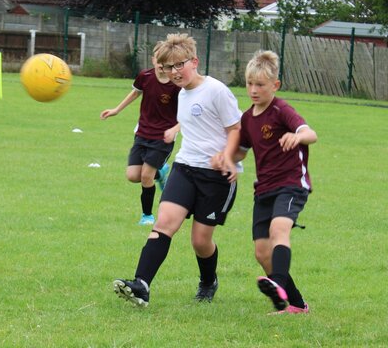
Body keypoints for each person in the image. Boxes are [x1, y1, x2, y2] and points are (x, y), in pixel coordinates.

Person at [113, 33, 242, 307]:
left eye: (178, 65)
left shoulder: (217, 90)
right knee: (163, 225)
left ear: (194, 61)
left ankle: (208, 281)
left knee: (200, 240)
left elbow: (237, 129)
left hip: (217, 176)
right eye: (168, 67)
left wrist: (228, 157)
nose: (173, 72)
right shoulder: (181, 94)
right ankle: (141, 285)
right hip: (185, 168)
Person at [213, 50, 317, 314]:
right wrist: (225, 157)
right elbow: (242, 151)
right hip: (264, 189)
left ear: (275, 85)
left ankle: (278, 283)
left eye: (260, 85)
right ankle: (296, 304)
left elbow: (310, 133)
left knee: (278, 231)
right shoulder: (247, 119)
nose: (253, 90)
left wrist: (298, 137)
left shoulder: (282, 110)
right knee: (262, 252)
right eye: (250, 84)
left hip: (292, 183)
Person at [100, 48, 180, 226]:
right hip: (142, 133)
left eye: (166, 61)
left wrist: (175, 129)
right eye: (159, 60)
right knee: (132, 175)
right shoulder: (145, 76)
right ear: (153, 60)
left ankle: (147, 216)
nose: (161, 64)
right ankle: (161, 172)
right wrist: (116, 110)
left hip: (163, 139)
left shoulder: (177, 85)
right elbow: (135, 92)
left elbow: (187, 112)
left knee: (145, 177)